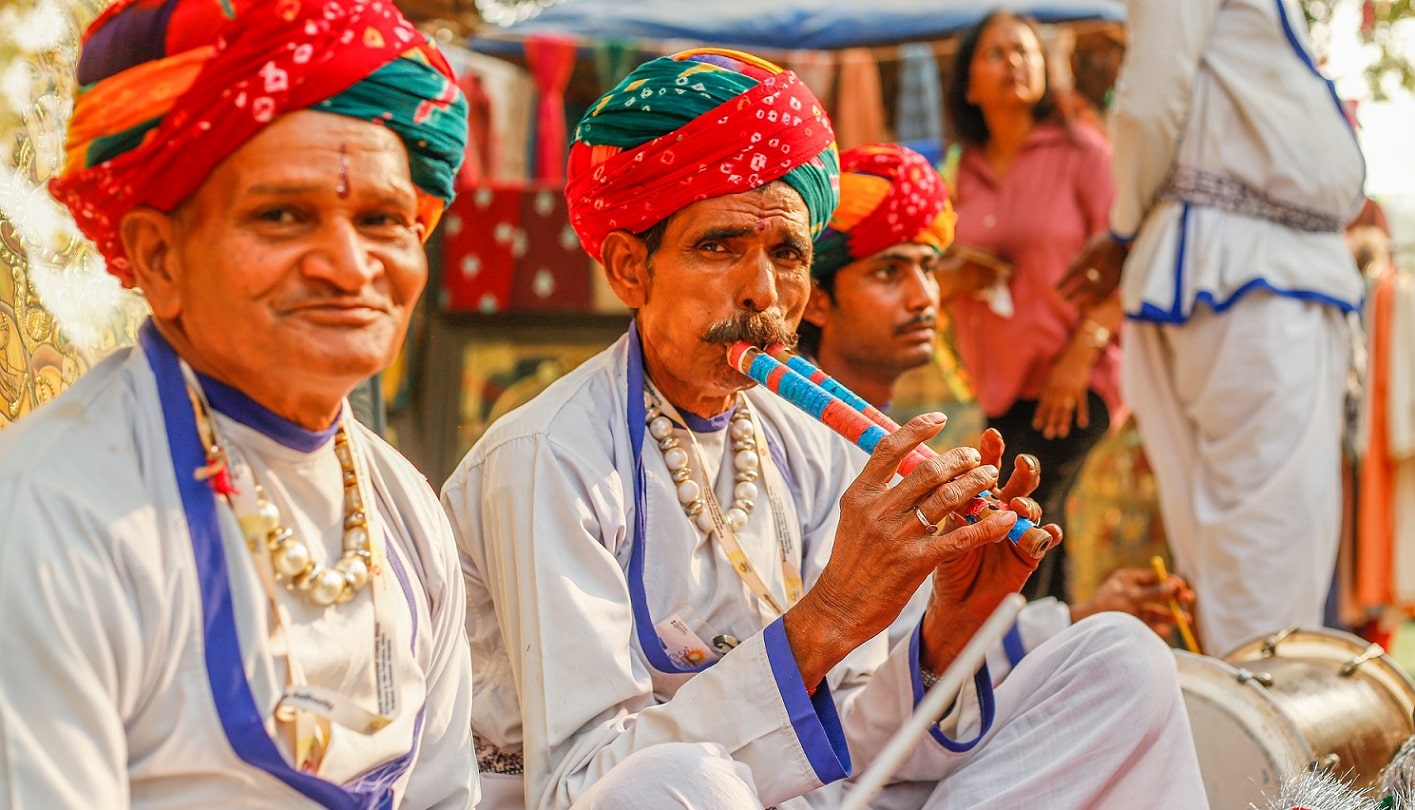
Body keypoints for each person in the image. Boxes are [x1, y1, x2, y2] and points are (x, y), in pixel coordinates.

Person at [443, 48, 1207, 809]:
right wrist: (830, 616)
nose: (763, 291)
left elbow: (854, 748)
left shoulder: (807, 447)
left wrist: (946, 633)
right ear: (628, 269)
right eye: (719, 247)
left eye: (787, 253)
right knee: (676, 782)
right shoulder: (548, 457)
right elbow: (587, 786)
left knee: (1121, 661)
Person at [0, 0, 478, 805]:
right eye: (283, 215)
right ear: (159, 256)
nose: (347, 265)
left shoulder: (407, 511)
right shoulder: (53, 515)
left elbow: (443, 793)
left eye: (383, 220)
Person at [803, 141, 1194, 662]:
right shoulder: (799, 443)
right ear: (818, 301)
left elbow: (920, 640)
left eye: (928, 267)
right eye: (888, 273)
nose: (925, 296)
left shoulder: (882, 442)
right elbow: (870, 662)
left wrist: (1084, 615)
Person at [1060, 0, 1365, 655]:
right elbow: (1147, 101)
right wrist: (1123, 228)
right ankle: (1268, 752)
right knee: (1266, 551)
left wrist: (1128, 230)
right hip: (1247, 279)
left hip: (1235, 273)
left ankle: (1249, 740)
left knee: (1239, 549)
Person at [939, 11, 1124, 604]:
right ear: (969, 83)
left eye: (1025, 51)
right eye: (996, 53)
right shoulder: (959, 170)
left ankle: (1008, 659)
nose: (1015, 61)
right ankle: (1051, 668)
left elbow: (1131, 260)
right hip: (1003, 386)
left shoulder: (1082, 151)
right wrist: (960, 275)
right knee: (1041, 525)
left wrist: (1081, 356)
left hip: (1076, 376)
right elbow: (934, 274)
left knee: (1016, 522)